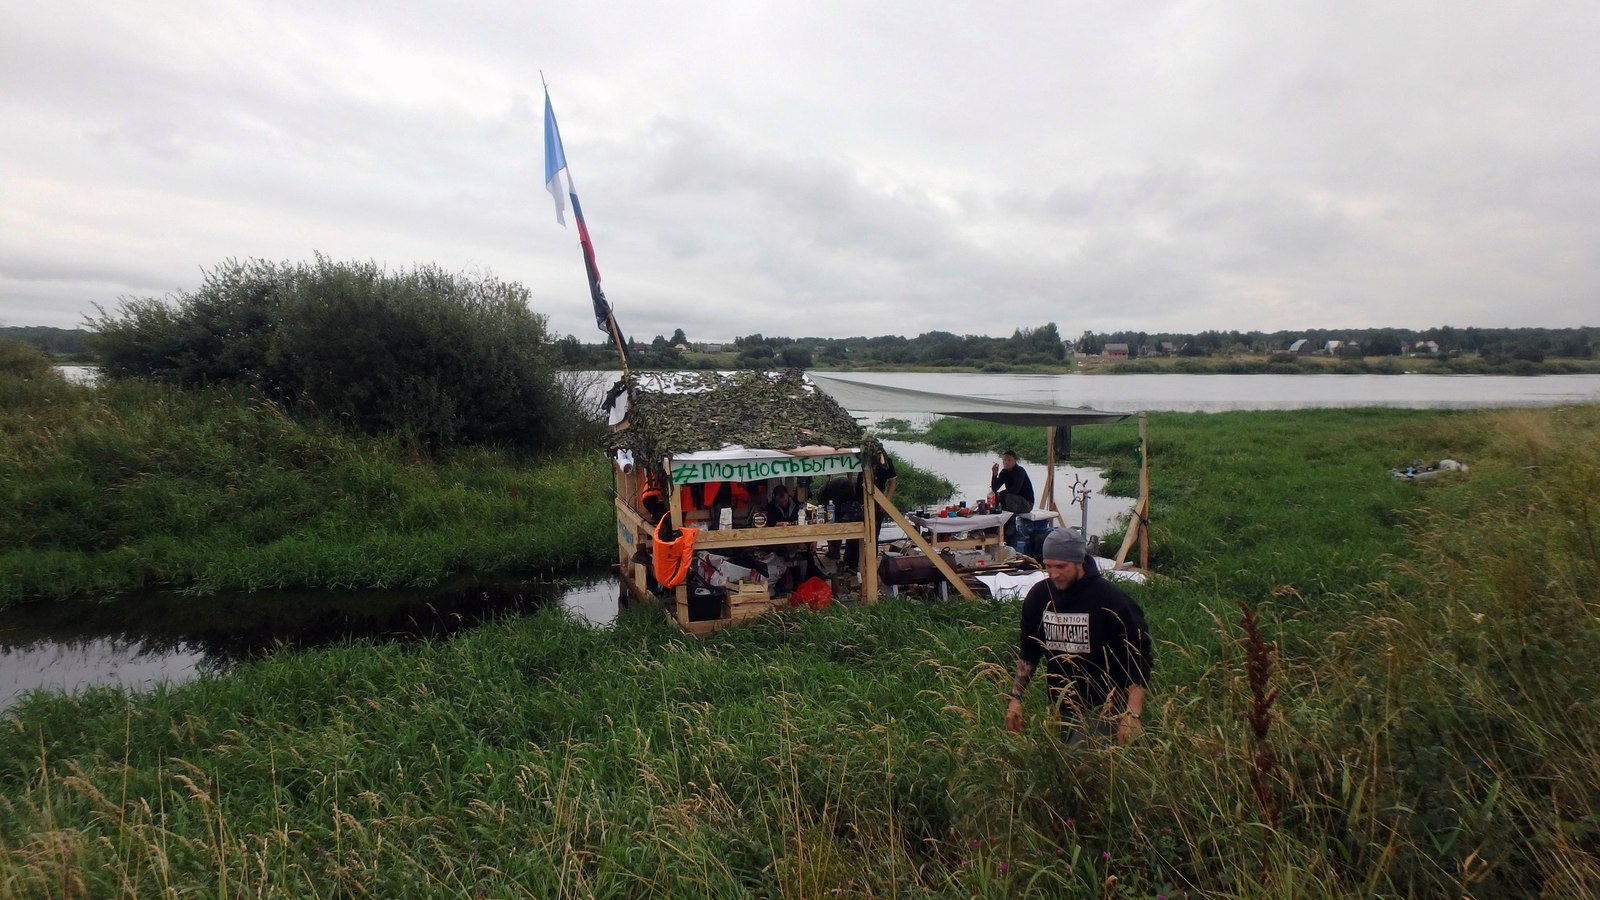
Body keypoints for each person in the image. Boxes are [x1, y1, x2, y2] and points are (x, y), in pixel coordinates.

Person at [1005, 528, 1152, 744]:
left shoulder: (1111, 600)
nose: (1053, 574)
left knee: (1083, 763)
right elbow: (1029, 652)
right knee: (1066, 767)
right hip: (1061, 705)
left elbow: (1139, 658)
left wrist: (1133, 713)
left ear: (1079, 562)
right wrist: (1015, 698)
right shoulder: (1039, 597)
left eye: (1061, 566)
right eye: (1048, 566)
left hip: (1106, 706)